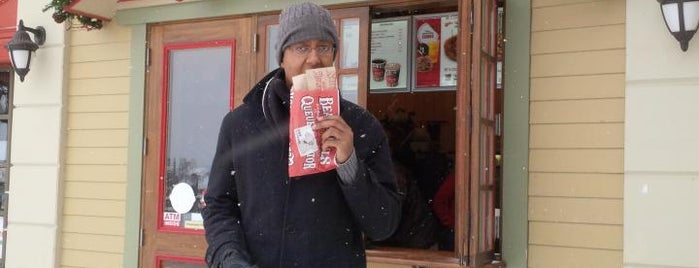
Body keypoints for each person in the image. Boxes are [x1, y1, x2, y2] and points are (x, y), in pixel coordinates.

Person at [202, 2, 401, 268]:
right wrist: (230, 258)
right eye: (301, 47)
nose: (314, 58)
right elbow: (219, 205)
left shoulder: (361, 126)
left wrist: (349, 164)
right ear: (282, 57)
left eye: (324, 47)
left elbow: (383, 225)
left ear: (334, 55)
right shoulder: (240, 124)